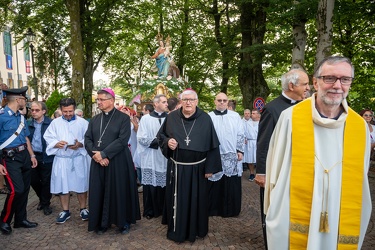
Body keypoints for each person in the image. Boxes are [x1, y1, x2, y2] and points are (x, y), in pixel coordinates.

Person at [264, 56, 372, 249]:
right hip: (293, 212)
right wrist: (270, 207)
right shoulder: (290, 118)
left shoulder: (359, 127)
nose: (337, 85)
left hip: (340, 213)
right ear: (315, 82)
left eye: (345, 79)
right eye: (329, 78)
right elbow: (275, 168)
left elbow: (361, 176)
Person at [157, 89, 222, 243]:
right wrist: (168, 142)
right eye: (185, 99)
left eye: (191, 100)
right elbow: (161, 136)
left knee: (196, 200)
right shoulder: (172, 117)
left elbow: (213, 145)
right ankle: (177, 231)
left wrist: (210, 168)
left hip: (198, 169)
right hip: (177, 168)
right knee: (177, 200)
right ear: (181, 101)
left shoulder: (205, 119)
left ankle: (197, 230)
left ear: (196, 101)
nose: (188, 102)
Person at [255, 68, 310, 248]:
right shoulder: (272, 109)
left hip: (300, 170)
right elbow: (263, 143)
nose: (308, 88)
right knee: (273, 211)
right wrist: (261, 173)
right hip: (277, 171)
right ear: (292, 85)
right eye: (305, 84)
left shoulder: (307, 107)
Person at [85, 88, 140, 235]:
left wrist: (104, 154)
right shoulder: (95, 119)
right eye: (98, 99)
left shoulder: (123, 118)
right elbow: (87, 139)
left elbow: (123, 140)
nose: (99, 102)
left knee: (119, 191)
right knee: (100, 191)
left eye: (102, 99)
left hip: (118, 161)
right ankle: (102, 222)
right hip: (98, 162)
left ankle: (123, 221)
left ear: (111, 100)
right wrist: (96, 156)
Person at [43, 98, 90, 224]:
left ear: (74, 109)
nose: (68, 114)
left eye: (70, 111)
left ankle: (83, 209)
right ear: (60, 110)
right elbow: (48, 137)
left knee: (81, 184)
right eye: (65, 111)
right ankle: (65, 211)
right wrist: (56, 143)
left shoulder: (83, 123)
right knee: (63, 185)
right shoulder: (55, 123)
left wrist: (80, 144)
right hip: (62, 159)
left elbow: (90, 138)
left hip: (78, 158)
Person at [0, 86, 38, 235]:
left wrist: (32, 155)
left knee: (25, 189)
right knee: (16, 190)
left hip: (24, 157)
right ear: (18, 99)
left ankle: (20, 219)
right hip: (9, 158)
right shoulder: (1, 116)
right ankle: (4, 220)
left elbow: (26, 138)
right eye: (24, 98)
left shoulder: (21, 117)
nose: (25, 101)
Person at [208, 93, 245, 217]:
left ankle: (230, 210)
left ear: (227, 102)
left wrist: (240, 150)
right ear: (215, 101)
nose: (222, 102)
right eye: (219, 100)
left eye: (224, 100)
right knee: (214, 182)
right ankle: (214, 209)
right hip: (214, 154)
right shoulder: (209, 116)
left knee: (230, 183)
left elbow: (240, 134)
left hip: (231, 154)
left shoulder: (235, 116)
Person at [137, 94, 168, 219]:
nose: (167, 104)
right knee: (151, 183)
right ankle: (151, 210)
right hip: (151, 155)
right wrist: (160, 142)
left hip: (166, 156)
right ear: (156, 104)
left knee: (166, 182)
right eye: (164, 102)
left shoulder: (171, 118)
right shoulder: (146, 119)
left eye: (166, 102)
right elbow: (141, 138)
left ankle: (165, 209)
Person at [28, 101, 54, 215]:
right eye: (32, 110)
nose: (34, 112)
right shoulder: (28, 123)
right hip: (32, 155)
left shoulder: (51, 123)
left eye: (37, 110)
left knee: (46, 181)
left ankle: (45, 203)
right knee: (33, 180)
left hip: (46, 155)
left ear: (44, 111)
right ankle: (41, 199)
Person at [243, 109, 260, 181]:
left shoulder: (261, 123)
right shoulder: (247, 123)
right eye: (252, 113)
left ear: (258, 115)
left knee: (258, 158)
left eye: (253, 113)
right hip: (249, 142)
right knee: (250, 159)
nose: (251, 114)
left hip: (258, 142)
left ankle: (260, 173)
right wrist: (244, 138)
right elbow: (243, 131)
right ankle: (252, 173)